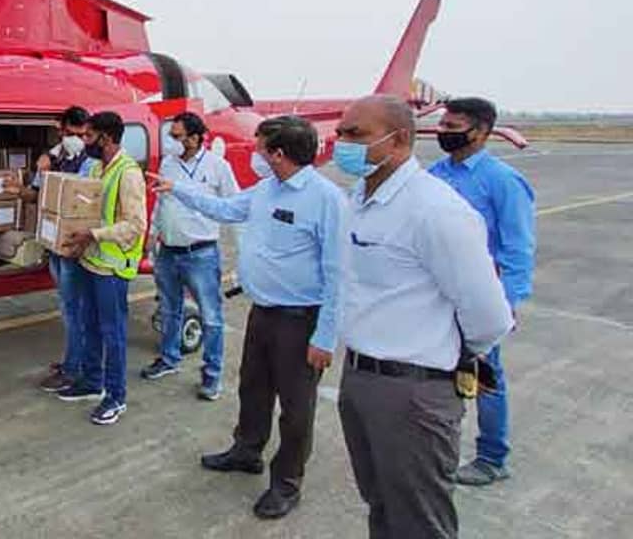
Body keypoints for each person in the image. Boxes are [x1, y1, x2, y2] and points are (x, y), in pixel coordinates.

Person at [148, 115, 345, 519]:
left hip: (300, 320)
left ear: (278, 153)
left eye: (260, 147)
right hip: (263, 312)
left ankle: (286, 483)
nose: (255, 154)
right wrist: (177, 189)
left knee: (296, 408)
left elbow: (339, 273)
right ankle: (247, 450)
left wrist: (325, 336)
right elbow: (224, 208)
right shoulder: (266, 189)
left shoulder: (326, 199)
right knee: (253, 388)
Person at [334, 95, 513, 538]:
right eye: (340, 133)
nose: (342, 143)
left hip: (413, 391)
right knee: (380, 505)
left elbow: (490, 317)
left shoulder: (434, 210)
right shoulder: (360, 198)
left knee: (419, 520)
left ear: (398, 141)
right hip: (360, 377)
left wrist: (444, 352)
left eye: (356, 134)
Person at [429, 97, 535, 486]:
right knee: (437, 375)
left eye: (452, 127)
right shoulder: (435, 174)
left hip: (479, 297)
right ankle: (438, 447)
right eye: (442, 125)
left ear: (481, 132)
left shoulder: (502, 181)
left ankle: (492, 457)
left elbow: (517, 248)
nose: (442, 132)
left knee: (485, 376)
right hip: (438, 295)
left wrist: (506, 303)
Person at [56, 111, 147, 426]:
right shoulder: (97, 167)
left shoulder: (128, 173)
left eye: (89, 136)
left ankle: (116, 396)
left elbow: (135, 225)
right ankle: (92, 381)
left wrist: (94, 235)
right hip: (90, 261)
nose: (84, 141)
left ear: (106, 138)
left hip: (111, 268)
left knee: (113, 333)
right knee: (89, 325)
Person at [141, 112, 238, 402]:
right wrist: (152, 234)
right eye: (171, 135)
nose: (171, 141)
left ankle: (212, 375)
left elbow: (235, 205)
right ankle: (169, 358)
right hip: (168, 251)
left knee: (211, 316)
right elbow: (161, 202)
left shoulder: (218, 167)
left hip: (201, 253)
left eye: (177, 136)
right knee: (169, 309)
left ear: (195, 138)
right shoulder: (168, 164)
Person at [6, 105, 98, 393]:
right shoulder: (51, 159)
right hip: (54, 247)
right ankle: (74, 360)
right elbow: (35, 195)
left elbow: (84, 202)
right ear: (60, 130)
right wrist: (20, 190)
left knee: (74, 310)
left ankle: (73, 369)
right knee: (68, 307)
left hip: (73, 248)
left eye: (82, 135)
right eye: (71, 133)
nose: (77, 140)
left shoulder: (90, 163)